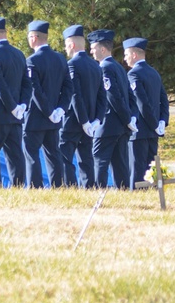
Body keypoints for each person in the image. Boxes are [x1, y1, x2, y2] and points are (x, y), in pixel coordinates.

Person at [0, 17, 31, 187]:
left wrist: (12, 107)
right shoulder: (19, 54)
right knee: (15, 153)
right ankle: (18, 185)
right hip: (15, 114)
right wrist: (22, 106)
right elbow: (27, 83)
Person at [23, 20, 73, 188]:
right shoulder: (60, 58)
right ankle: (57, 186)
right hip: (55, 118)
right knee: (53, 154)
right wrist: (60, 109)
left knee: (32, 154)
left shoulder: (32, 61)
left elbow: (35, 90)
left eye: (29, 37)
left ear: (35, 37)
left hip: (36, 117)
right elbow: (68, 87)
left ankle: (35, 187)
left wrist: (49, 111)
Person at [88, 30, 135, 189]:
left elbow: (113, 97)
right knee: (119, 164)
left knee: (99, 160)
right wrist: (129, 118)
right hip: (120, 126)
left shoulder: (105, 67)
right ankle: (122, 193)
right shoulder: (118, 66)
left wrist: (127, 119)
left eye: (93, 48)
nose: (91, 51)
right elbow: (130, 96)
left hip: (108, 125)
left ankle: (99, 193)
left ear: (102, 49)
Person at [60, 25, 104, 187]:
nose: (65, 49)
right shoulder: (95, 66)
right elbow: (102, 97)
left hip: (73, 121)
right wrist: (96, 120)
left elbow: (75, 95)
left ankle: (70, 188)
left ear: (71, 45)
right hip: (91, 122)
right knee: (86, 159)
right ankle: (89, 188)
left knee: (65, 158)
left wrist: (84, 121)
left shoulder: (72, 65)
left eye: (66, 45)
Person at [124, 37, 170, 187]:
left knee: (137, 172)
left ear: (134, 55)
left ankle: (137, 200)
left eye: (126, 55)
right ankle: (153, 196)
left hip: (141, 131)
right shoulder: (154, 73)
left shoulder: (133, 74)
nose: (125, 59)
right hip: (153, 131)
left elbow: (142, 103)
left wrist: (155, 124)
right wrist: (162, 121)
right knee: (151, 169)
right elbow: (164, 99)